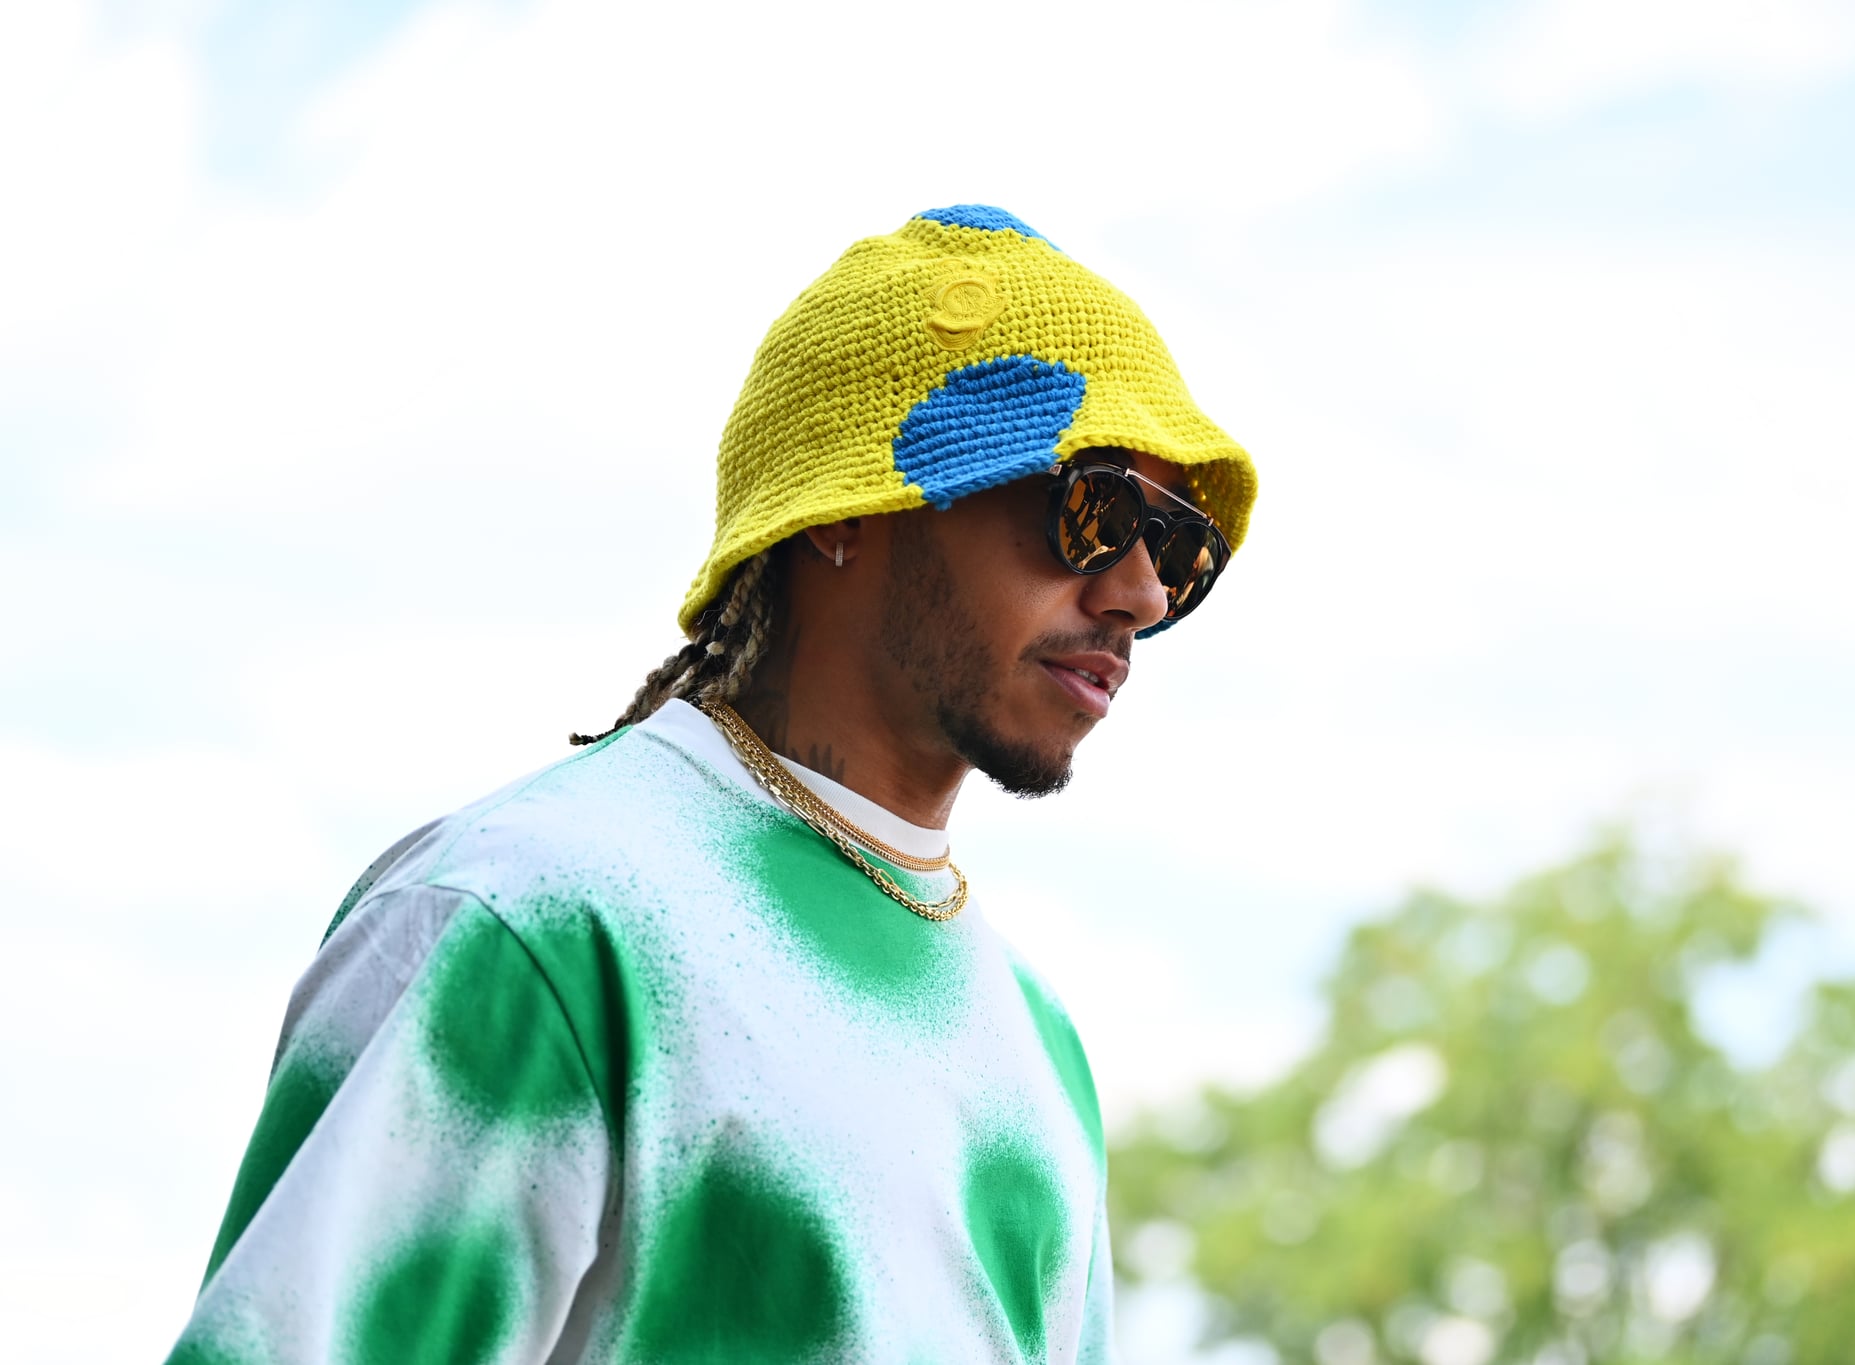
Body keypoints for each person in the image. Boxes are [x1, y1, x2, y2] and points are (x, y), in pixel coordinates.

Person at [166, 205, 1257, 1364]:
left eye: (1180, 549)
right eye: (1093, 510)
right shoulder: (536, 915)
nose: (1139, 593)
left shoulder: (1040, 1047)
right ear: (843, 513)